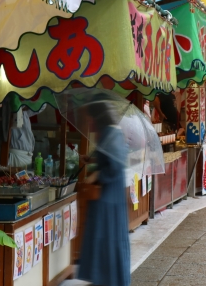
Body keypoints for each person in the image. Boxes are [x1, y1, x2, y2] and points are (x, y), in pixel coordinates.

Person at [79, 101, 130, 286]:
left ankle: (105, 279)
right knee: (103, 237)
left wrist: (95, 175)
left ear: (97, 118)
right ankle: (103, 278)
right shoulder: (110, 133)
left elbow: (114, 166)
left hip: (109, 196)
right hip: (109, 196)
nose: (89, 123)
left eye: (90, 119)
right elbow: (110, 157)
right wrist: (92, 158)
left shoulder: (110, 133)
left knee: (105, 237)